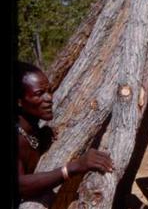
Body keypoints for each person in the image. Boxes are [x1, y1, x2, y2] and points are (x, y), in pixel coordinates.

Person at [16, 61, 114, 201]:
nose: (49, 98)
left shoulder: (33, 131)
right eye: (39, 93)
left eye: (49, 91)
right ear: (18, 101)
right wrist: (72, 168)